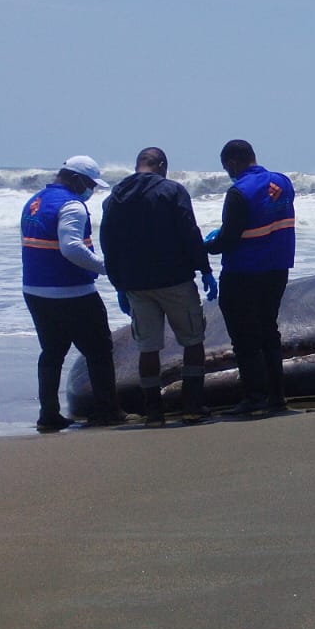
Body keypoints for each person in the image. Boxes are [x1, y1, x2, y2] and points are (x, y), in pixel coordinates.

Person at [99, 147, 218, 427]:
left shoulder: (113, 198)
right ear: (162, 165)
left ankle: (153, 412)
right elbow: (190, 232)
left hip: (136, 285)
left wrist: (119, 283)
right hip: (175, 279)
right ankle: (192, 406)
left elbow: (108, 244)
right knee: (192, 341)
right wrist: (205, 269)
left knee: (148, 348)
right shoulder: (172, 191)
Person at [20, 155, 125, 431]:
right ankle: (107, 411)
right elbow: (71, 248)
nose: (91, 190)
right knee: (99, 350)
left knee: (52, 352)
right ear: (77, 180)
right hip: (72, 292)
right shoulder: (72, 206)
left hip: (34, 290)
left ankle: (49, 415)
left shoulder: (34, 201)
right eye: (90, 184)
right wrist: (106, 268)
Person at [204, 139, 295, 416]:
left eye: (226, 168)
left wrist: (205, 245)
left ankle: (254, 397)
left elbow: (228, 241)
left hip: (244, 273)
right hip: (277, 269)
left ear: (232, 163)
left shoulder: (238, 193)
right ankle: (277, 397)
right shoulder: (283, 183)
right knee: (269, 331)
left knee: (244, 338)